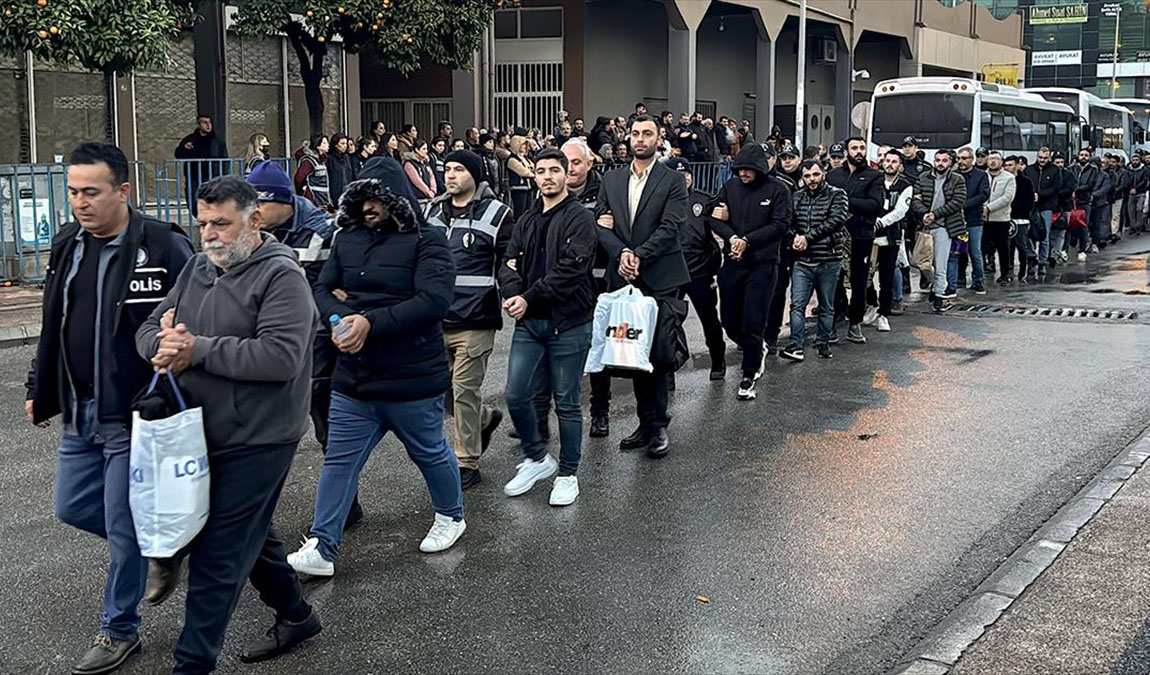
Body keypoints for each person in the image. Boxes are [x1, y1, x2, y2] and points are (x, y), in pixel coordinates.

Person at [135, 176, 321, 673]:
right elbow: (148, 329)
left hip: (262, 435)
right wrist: (162, 345)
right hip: (199, 427)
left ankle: (191, 664)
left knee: (218, 556)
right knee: (250, 534)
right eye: (202, 224)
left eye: (221, 222)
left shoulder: (282, 276)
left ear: (254, 219)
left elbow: (280, 357)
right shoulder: (197, 268)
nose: (210, 234)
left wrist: (195, 348)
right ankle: (296, 614)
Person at [25, 143, 193, 675]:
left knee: (122, 524)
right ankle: (159, 549)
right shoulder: (68, 243)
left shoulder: (164, 246)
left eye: (91, 192)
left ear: (124, 190)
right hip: (79, 406)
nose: (80, 202)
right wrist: (38, 385)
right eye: (73, 191)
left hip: (135, 413)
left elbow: (204, 308)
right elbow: (53, 321)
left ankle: (119, 628)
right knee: (70, 506)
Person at [287, 157, 465, 580]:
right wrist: (338, 320)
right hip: (355, 375)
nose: (367, 208)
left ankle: (451, 516)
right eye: (361, 199)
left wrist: (369, 319)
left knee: (429, 452)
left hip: (411, 377)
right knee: (339, 462)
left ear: (395, 199)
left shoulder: (429, 240)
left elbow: (433, 302)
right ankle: (323, 545)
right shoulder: (347, 237)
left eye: (375, 200)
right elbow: (322, 287)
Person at [245, 163, 352, 527]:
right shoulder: (253, 233)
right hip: (272, 342)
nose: (252, 215)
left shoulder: (324, 232)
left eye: (258, 205)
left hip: (318, 340)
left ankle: (344, 505)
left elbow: (337, 289)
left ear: (282, 200)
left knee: (327, 423)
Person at [498, 148, 597, 505]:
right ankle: (537, 457)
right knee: (515, 393)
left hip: (568, 324)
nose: (548, 177)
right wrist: (512, 293)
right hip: (530, 324)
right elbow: (508, 264)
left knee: (567, 402)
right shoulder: (526, 220)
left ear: (566, 173)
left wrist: (528, 297)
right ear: (535, 177)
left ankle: (568, 474)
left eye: (555, 170)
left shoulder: (579, 218)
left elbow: (571, 270)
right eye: (541, 171)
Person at [594, 115, 690, 456]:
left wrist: (637, 255)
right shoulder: (612, 178)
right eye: (635, 133)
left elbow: (671, 226)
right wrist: (621, 253)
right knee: (632, 351)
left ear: (658, 138)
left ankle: (658, 426)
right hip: (623, 275)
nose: (640, 139)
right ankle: (645, 423)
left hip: (660, 276)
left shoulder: (672, 180)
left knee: (657, 352)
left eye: (647, 133)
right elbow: (600, 225)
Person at [425, 150, 513, 490]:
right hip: (436, 319)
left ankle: (466, 461)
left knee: (463, 389)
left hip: (476, 318)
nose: (450, 175)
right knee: (441, 388)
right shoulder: (432, 211)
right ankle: (484, 420)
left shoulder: (497, 213)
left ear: (475, 176)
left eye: (459, 169)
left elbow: (508, 262)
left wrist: (514, 294)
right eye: (447, 169)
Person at [708, 142, 792, 401]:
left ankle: (749, 374)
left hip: (763, 264)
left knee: (753, 322)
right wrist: (732, 237)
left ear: (759, 168)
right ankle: (755, 348)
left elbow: (781, 225)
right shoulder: (730, 187)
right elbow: (714, 217)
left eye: (748, 170)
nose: (743, 174)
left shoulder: (778, 189)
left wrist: (748, 240)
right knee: (730, 321)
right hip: (733, 263)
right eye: (739, 169)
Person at [780, 160, 848, 361]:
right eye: (807, 176)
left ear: (823, 174)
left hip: (828, 259)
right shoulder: (796, 197)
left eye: (816, 175)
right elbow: (787, 222)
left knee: (826, 306)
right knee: (797, 305)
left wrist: (806, 237)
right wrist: (794, 238)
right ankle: (796, 345)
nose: (812, 179)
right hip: (802, 260)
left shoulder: (837, 194)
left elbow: (836, 220)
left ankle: (823, 343)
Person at [666, 156, 726, 379]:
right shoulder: (661, 201)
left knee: (709, 318)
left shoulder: (703, 200)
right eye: (680, 175)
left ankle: (718, 360)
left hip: (700, 270)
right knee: (668, 324)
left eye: (688, 174)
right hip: (671, 272)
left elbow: (719, 226)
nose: (685, 178)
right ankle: (667, 369)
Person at [826, 137, 884, 344]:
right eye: (854, 148)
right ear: (846, 151)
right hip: (834, 236)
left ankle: (855, 324)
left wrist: (844, 202)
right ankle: (831, 323)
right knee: (833, 281)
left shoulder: (874, 176)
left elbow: (875, 205)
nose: (858, 151)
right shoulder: (833, 176)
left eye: (862, 148)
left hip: (861, 235)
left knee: (859, 281)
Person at [863, 149, 914, 332]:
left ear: (900, 165)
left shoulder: (905, 185)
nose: (890, 164)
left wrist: (881, 222)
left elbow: (901, 211)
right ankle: (872, 305)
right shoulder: (874, 181)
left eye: (894, 161)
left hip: (890, 237)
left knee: (887, 277)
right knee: (865, 275)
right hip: (869, 236)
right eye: (887, 160)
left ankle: (884, 314)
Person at [910, 149, 966, 313]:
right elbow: (915, 199)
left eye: (944, 160)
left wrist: (935, 214)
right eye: (937, 160)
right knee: (919, 262)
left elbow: (957, 202)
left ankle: (939, 296)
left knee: (940, 264)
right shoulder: (923, 177)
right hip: (925, 226)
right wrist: (924, 214)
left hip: (944, 227)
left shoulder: (957, 179)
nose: (940, 163)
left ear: (950, 163)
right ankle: (936, 285)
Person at [951, 147, 989, 295]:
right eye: (959, 158)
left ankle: (978, 281)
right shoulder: (954, 175)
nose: (961, 161)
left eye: (964, 158)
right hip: (957, 220)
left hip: (974, 219)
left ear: (971, 159)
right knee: (957, 252)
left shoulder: (980, 176)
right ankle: (956, 280)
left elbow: (983, 195)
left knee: (975, 252)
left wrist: (963, 203)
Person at [175, 114, 229, 217]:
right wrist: (184, 148)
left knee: (212, 200)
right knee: (193, 200)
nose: (208, 125)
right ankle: (199, 217)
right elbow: (178, 154)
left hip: (212, 177)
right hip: (194, 177)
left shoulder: (217, 142)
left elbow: (224, 160)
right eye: (205, 123)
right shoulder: (190, 140)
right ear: (199, 125)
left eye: (209, 122)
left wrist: (223, 176)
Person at [981, 151, 1018, 285]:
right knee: (982, 248)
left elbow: (1007, 198)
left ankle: (1004, 274)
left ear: (1001, 162)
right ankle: (980, 273)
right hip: (982, 219)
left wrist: (988, 208)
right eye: (990, 159)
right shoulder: (982, 176)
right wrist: (982, 207)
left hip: (1001, 219)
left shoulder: (1009, 178)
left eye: (996, 159)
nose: (993, 161)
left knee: (1003, 248)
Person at [1025, 147, 1061, 277]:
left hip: (1046, 206)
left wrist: (1040, 194)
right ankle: (1031, 257)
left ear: (1049, 158)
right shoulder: (1029, 170)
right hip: (1030, 206)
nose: (1042, 160)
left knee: (1044, 236)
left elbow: (1056, 187)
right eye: (1040, 157)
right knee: (1028, 234)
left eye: (1045, 158)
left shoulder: (1055, 170)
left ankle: (1042, 262)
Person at [1005, 155, 1037, 282]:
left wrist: (1017, 210)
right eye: (1006, 165)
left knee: (1021, 246)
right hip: (1005, 218)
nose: (1008, 168)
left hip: (1021, 219)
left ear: (1017, 165)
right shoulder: (1003, 180)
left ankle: (1023, 270)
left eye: (1010, 165)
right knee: (1007, 247)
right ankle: (1007, 271)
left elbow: (1028, 201)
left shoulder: (1025, 182)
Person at [293, 134, 331, 210]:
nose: (328, 145)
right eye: (324, 143)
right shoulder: (308, 161)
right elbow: (298, 178)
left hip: (322, 200)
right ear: (318, 145)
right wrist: (302, 192)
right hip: (312, 200)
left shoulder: (321, 160)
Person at [507, 135, 537, 218]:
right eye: (522, 144)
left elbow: (533, 167)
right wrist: (534, 175)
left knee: (528, 211)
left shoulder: (526, 158)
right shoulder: (512, 159)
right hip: (518, 188)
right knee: (520, 212)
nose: (524, 146)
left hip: (529, 187)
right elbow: (523, 171)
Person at [1123, 152, 1148, 235]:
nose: (1135, 162)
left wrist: (1136, 188)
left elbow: (1144, 180)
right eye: (1133, 160)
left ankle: (1138, 226)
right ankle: (1132, 226)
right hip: (1131, 193)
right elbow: (1126, 180)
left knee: (1139, 209)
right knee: (1131, 210)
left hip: (1141, 192)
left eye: (1136, 160)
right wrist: (1131, 188)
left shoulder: (1144, 170)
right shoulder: (1128, 170)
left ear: (1140, 161)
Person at [327, 133, 354, 206]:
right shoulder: (330, 159)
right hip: (335, 193)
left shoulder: (347, 157)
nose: (345, 146)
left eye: (346, 143)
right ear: (336, 145)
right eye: (342, 143)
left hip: (347, 193)